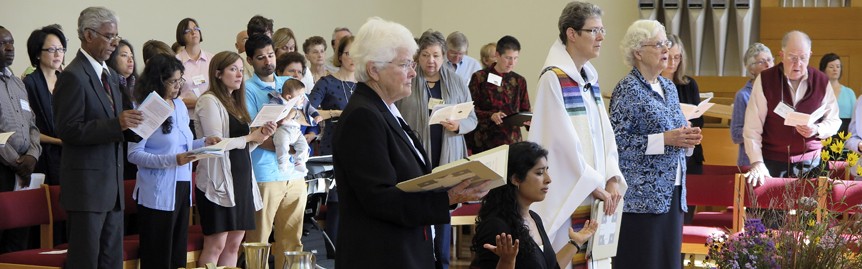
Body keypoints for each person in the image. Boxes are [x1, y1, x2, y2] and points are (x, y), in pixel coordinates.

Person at [331, 17, 489, 268]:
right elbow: (380, 200)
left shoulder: (384, 108)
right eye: (406, 64)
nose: (414, 72)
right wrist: (447, 197)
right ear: (374, 70)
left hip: (403, 249)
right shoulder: (364, 116)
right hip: (383, 255)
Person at [527, 2, 626, 268]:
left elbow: (605, 135)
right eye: (594, 31)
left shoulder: (588, 79)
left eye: (602, 30)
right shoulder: (553, 79)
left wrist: (612, 177)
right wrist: (591, 185)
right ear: (572, 34)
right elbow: (555, 146)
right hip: (573, 195)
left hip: (597, 193)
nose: (601, 37)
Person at [52, 7, 143, 268]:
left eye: (116, 36)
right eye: (109, 36)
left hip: (111, 187)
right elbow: (68, 129)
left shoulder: (111, 75)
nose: (114, 42)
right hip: (86, 189)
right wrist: (116, 125)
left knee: (111, 261)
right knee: (86, 261)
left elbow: (118, 122)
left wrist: (137, 123)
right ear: (88, 35)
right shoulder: (72, 76)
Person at [609, 19, 702, 269]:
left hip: (674, 190)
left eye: (666, 43)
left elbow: (678, 131)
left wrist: (688, 139)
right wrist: (666, 139)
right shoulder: (627, 89)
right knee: (643, 261)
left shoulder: (669, 87)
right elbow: (617, 143)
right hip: (642, 199)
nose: (666, 50)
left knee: (668, 262)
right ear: (638, 52)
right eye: (659, 44)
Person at [394, 29, 478, 269]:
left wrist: (459, 124)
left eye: (436, 55)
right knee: (418, 209)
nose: (431, 61)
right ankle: (417, 260)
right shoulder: (406, 78)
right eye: (426, 55)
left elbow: (472, 119)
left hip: (448, 153)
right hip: (414, 155)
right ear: (418, 56)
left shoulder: (457, 81)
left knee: (444, 212)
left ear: (444, 57)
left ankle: (443, 262)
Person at [128, 54, 219, 269]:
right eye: (172, 82)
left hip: (182, 186)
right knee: (158, 256)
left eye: (180, 80)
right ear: (158, 81)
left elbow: (183, 145)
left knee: (177, 255)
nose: (178, 86)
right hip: (157, 192)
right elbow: (134, 154)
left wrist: (205, 142)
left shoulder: (178, 105)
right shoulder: (146, 108)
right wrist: (172, 160)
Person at [194, 51, 275, 267]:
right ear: (218, 73)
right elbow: (216, 145)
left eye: (241, 69)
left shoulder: (235, 102)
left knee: (234, 245)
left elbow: (243, 147)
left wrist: (260, 137)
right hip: (217, 182)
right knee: (216, 245)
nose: (239, 74)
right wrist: (250, 136)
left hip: (241, 181)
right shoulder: (209, 101)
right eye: (233, 69)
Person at [471, 142, 598, 269]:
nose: (548, 179)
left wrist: (576, 242)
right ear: (515, 179)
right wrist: (507, 262)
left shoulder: (534, 218)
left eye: (547, 171)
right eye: (539, 173)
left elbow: (550, 267)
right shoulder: (495, 226)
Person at [243, 34, 308, 268]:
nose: (267, 61)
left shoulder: (287, 82)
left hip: (295, 174)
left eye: (270, 55)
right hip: (265, 173)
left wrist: (297, 145)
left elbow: (305, 116)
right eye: (260, 57)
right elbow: (254, 133)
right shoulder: (247, 88)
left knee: (292, 241)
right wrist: (288, 147)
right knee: (258, 241)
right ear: (250, 60)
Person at [743, 31, 841, 186]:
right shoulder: (766, 80)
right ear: (781, 55)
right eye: (792, 57)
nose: (798, 64)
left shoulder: (821, 81)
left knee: (810, 210)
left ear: (810, 55)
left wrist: (816, 129)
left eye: (803, 58)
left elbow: (834, 121)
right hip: (772, 161)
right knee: (771, 210)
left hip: (811, 162)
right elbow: (752, 127)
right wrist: (757, 163)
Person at [0, 26, 42, 254]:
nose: (9, 48)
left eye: (11, 42)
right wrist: (17, 162)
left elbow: (32, 125)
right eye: (2, 44)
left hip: (25, 170)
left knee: (20, 238)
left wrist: (32, 155)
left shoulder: (17, 83)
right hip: (5, 169)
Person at [467, 35, 530, 154]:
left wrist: (529, 121)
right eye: (508, 58)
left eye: (516, 58)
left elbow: (525, 109)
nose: (512, 63)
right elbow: (469, 110)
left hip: (512, 142)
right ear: (497, 55)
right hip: (484, 142)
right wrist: (490, 115)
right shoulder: (480, 78)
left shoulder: (520, 81)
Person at [23, 25, 66, 187]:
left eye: (61, 49)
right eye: (51, 50)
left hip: (69, 154)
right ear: (37, 53)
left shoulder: (67, 80)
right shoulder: (29, 84)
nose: (58, 54)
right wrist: (57, 141)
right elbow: (27, 129)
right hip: (43, 156)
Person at [660, 34, 704, 175]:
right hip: (663, 152)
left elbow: (699, 119)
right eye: (669, 56)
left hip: (689, 151)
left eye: (677, 57)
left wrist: (690, 124)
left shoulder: (689, 84)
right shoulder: (652, 85)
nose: (673, 62)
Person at [730, 43, 773, 167]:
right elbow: (736, 135)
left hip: (775, 159)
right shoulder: (743, 95)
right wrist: (763, 129)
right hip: (750, 161)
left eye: (770, 60)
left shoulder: (779, 93)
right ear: (751, 68)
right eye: (762, 62)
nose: (768, 65)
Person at [176, 18, 213, 132]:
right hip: (186, 117)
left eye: (196, 28)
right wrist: (196, 103)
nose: (194, 32)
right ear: (181, 36)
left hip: (211, 114)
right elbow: (170, 93)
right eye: (188, 30)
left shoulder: (212, 59)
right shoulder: (175, 61)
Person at [271, 79, 310, 176]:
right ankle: (282, 162)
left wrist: (316, 115)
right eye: (301, 96)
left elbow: (309, 115)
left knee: (304, 146)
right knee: (282, 145)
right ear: (289, 97)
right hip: (283, 130)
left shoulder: (300, 105)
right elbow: (272, 112)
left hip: (297, 132)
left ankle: (299, 162)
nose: (303, 99)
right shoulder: (277, 101)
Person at [819, 53, 855, 134]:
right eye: (831, 67)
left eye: (838, 66)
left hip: (845, 133)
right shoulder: (818, 91)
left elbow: (855, 118)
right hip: (824, 130)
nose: (835, 69)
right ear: (823, 69)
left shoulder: (849, 92)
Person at [106, 39, 137, 108]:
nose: (130, 60)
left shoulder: (137, 83)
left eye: (131, 56)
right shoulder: (107, 84)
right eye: (124, 55)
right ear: (112, 58)